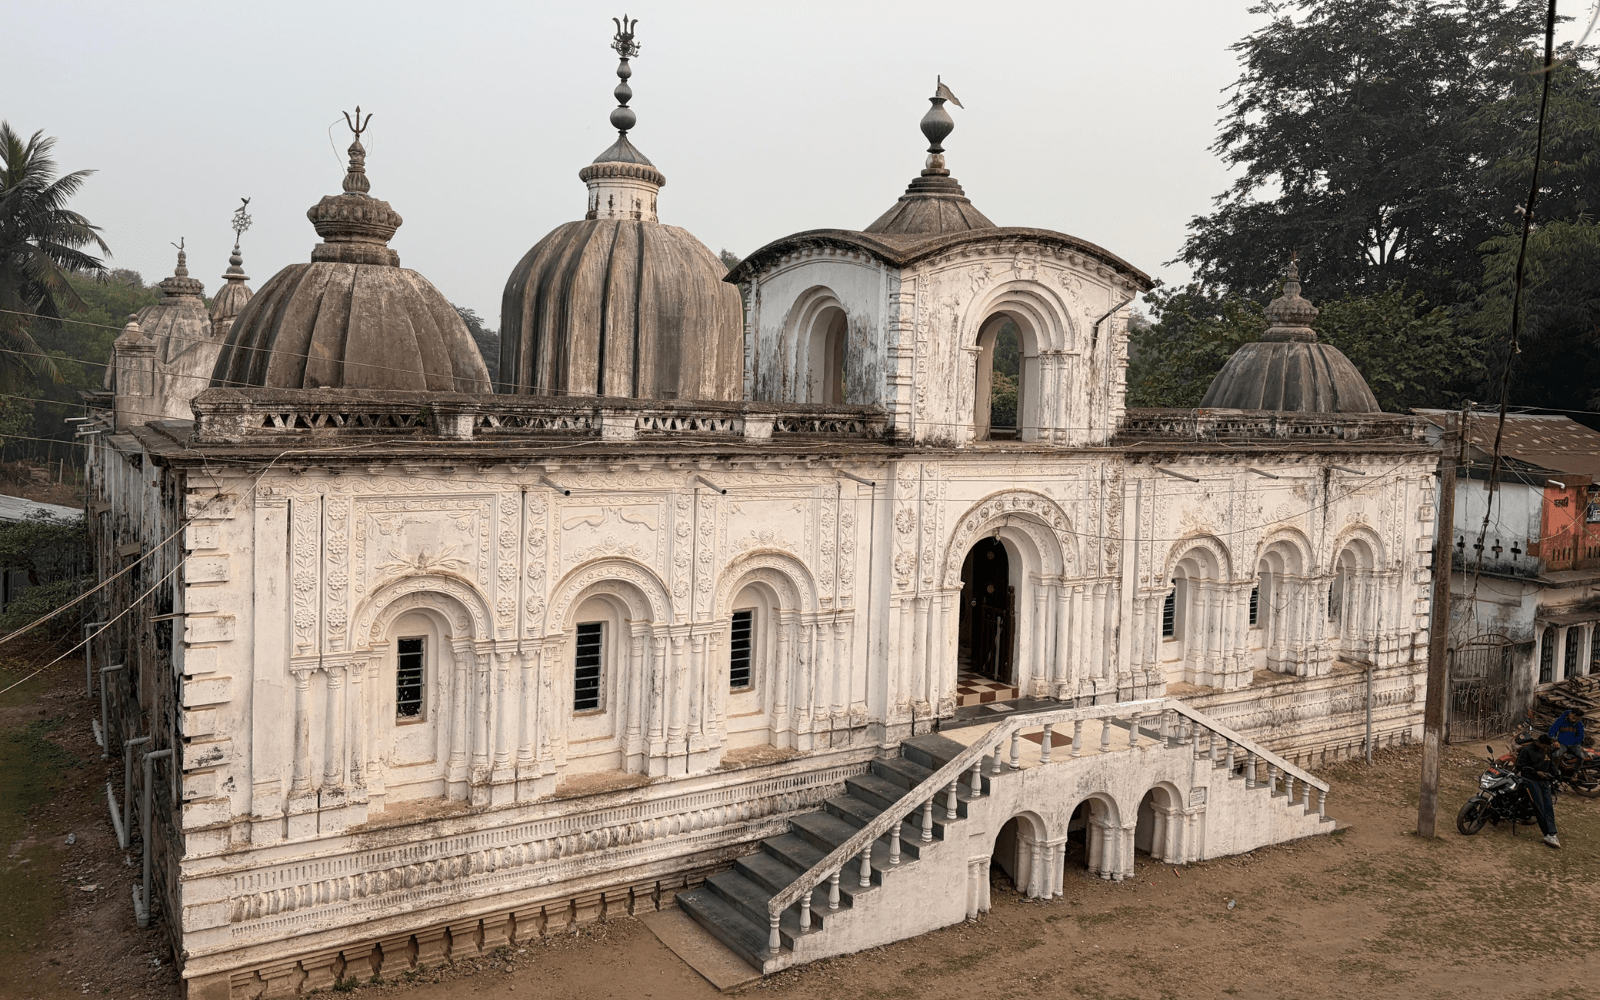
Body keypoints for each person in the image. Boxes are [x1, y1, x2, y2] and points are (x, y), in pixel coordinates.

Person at [1516, 733, 1561, 849]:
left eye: (1548, 747)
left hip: (1544, 781)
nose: (1546, 749)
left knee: (1548, 806)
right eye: (1545, 747)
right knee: (1539, 806)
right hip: (1530, 780)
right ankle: (1547, 834)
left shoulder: (1548, 750)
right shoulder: (1526, 750)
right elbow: (1520, 766)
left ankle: (1552, 833)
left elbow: (1551, 764)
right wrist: (1536, 772)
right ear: (1539, 743)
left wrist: (1556, 775)